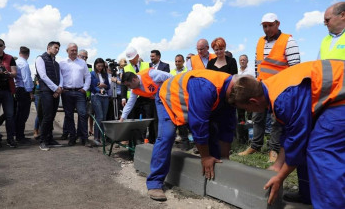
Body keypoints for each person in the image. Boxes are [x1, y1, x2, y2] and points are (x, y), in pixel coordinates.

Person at [229, 59, 345, 208]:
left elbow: (298, 140)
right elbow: (291, 135)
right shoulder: (271, 88)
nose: (249, 113)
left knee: (321, 150)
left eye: (247, 109)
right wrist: (278, 166)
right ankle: (308, 194)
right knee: (306, 145)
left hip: (340, 97)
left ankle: (331, 205)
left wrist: (281, 176)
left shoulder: (283, 99)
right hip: (336, 93)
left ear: (253, 102)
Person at [146, 70, 237, 201]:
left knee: (212, 130)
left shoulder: (231, 93)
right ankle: (155, 182)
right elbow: (198, 125)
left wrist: (224, 159)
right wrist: (205, 157)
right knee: (167, 136)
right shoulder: (206, 88)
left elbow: (227, 128)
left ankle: (214, 177)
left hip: (188, 101)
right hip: (168, 97)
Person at [239, 13, 300, 164]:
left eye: (270, 25)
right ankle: (256, 145)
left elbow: (296, 68)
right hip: (262, 86)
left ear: (277, 24)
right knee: (257, 117)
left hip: (280, 88)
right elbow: (257, 65)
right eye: (265, 26)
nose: (267, 29)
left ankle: (274, 149)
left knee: (276, 120)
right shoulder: (260, 41)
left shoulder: (288, 41)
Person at [59, 43, 91, 147]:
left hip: (79, 92)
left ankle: (84, 138)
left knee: (83, 114)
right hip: (67, 92)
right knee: (69, 116)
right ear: (67, 51)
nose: (74, 52)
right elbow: (59, 77)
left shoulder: (82, 63)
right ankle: (72, 138)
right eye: (72, 50)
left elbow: (88, 76)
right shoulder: (62, 63)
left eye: (75, 50)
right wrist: (61, 87)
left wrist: (85, 88)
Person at [122, 47, 156, 143]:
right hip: (133, 96)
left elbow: (153, 80)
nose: (131, 61)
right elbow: (123, 84)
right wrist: (123, 98)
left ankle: (151, 140)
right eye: (129, 59)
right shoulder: (126, 68)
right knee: (133, 120)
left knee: (149, 119)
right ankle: (135, 140)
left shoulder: (147, 65)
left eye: (132, 58)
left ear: (137, 56)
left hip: (147, 97)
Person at [35, 41, 63, 151]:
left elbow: (61, 77)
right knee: (46, 116)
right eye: (55, 47)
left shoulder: (56, 64)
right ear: (49, 47)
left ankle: (50, 139)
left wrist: (59, 88)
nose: (57, 50)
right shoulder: (40, 59)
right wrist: (55, 88)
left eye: (58, 48)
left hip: (56, 92)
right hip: (46, 91)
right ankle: (43, 141)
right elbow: (43, 75)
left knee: (51, 116)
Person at [14, 46, 34, 144]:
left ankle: (18, 134)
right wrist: (30, 92)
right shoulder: (24, 64)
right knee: (23, 114)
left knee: (18, 114)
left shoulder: (16, 62)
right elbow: (26, 79)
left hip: (17, 89)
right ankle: (20, 136)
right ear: (28, 54)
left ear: (19, 53)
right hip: (23, 90)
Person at [90, 58, 110, 145]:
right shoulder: (92, 74)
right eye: (98, 66)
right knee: (99, 116)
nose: (100, 68)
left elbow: (108, 86)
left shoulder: (105, 74)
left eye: (102, 66)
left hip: (105, 97)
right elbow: (91, 86)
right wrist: (99, 89)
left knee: (104, 117)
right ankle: (96, 138)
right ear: (95, 65)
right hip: (96, 96)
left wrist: (104, 86)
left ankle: (102, 137)